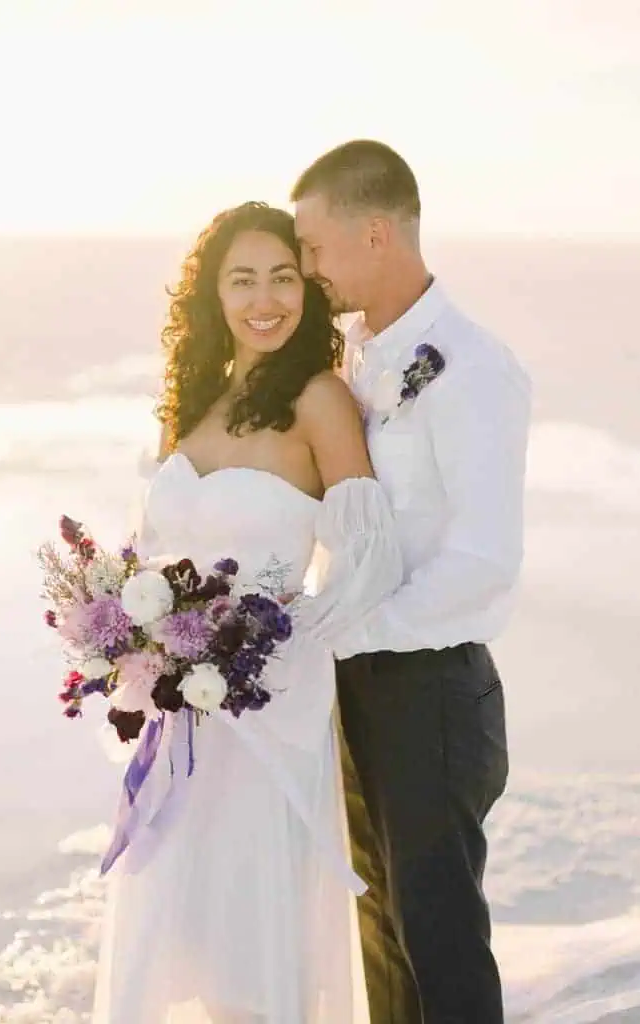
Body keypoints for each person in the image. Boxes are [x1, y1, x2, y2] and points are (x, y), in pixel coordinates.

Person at [92, 201, 403, 1024]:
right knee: (176, 921)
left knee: (251, 926)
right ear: (212, 296)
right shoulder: (188, 404)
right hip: (178, 721)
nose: (265, 298)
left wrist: (265, 647)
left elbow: (367, 555)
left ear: (306, 287)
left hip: (268, 714)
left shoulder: (319, 400)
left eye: (282, 277)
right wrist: (131, 637)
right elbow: (147, 551)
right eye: (243, 279)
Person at [292, 140, 532, 1024]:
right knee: (381, 933)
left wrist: (344, 633)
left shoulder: (471, 368)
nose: (306, 268)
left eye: (315, 248)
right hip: (359, 684)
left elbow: (482, 565)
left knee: (438, 942)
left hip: (432, 690)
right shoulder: (356, 355)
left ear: (377, 233)